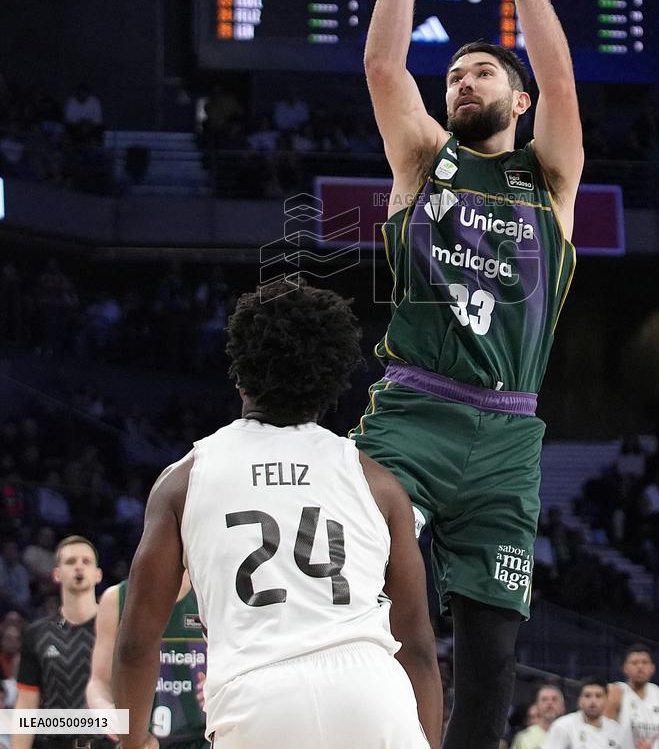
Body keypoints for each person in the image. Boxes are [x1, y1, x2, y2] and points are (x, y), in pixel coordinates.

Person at [349, 0, 583, 749]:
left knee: (490, 661)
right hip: (411, 412)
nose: (464, 84)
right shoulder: (421, 160)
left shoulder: (550, 181)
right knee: (348, 591)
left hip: (509, 439)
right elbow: (380, 61)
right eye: (455, 76)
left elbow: (564, 86)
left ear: (519, 100)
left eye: (484, 74)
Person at [111, 279, 441, 749]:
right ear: (330, 381)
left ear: (240, 373)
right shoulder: (379, 484)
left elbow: (135, 645)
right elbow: (420, 650)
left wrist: (132, 741)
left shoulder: (184, 480)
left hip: (256, 698)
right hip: (371, 694)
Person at [86, 570, 208, 747]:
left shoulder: (210, 594)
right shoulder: (117, 597)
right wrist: (103, 709)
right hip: (139, 741)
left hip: (201, 739)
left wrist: (218, 686)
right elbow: (98, 681)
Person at [12, 535, 106, 749]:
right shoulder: (36, 633)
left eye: (86, 561)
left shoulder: (119, 630)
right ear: (57, 574)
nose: (79, 567)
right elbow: (27, 704)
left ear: (98, 574)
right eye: (71, 562)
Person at [605, 645, 659, 749]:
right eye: (634, 663)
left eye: (645, 662)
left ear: (653, 668)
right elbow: (605, 732)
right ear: (625, 668)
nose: (640, 667)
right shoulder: (616, 691)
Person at [543, 678, 623, 749]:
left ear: (606, 700)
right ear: (579, 700)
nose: (593, 701)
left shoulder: (615, 729)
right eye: (587, 696)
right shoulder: (563, 726)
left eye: (598, 696)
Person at [512, 685, 566, 749]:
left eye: (554, 699)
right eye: (544, 699)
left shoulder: (571, 735)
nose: (549, 703)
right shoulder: (524, 736)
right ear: (537, 706)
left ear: (563, 707)